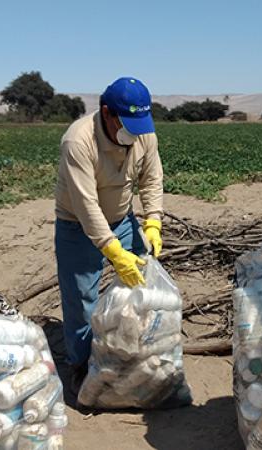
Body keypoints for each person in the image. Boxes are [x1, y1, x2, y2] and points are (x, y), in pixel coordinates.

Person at [54, 76, 164, 401]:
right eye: (127, 122)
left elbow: (152, 178)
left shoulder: (144, 135)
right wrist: (113, 251)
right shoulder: (78, 140)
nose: (135, 131)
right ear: (106, 112)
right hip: (77, 224)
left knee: (142, 287)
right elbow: (86, 206)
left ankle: (131, 354)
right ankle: (81, 366)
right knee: (81, 300)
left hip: (123, 219)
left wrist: (154, 221)